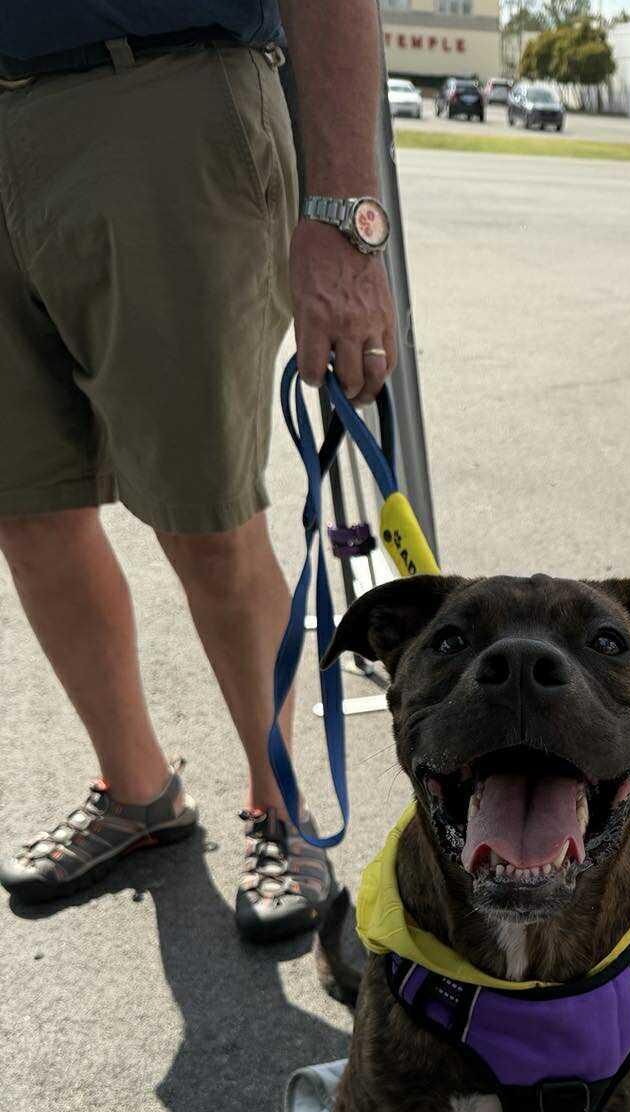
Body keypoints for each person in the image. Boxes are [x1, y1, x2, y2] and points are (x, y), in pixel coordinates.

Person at [0, 1, 396, 940]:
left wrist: (345, 216)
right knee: (26, 504)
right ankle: (138, 793)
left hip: (166, 98)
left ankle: (282, 807)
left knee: (207, 519)